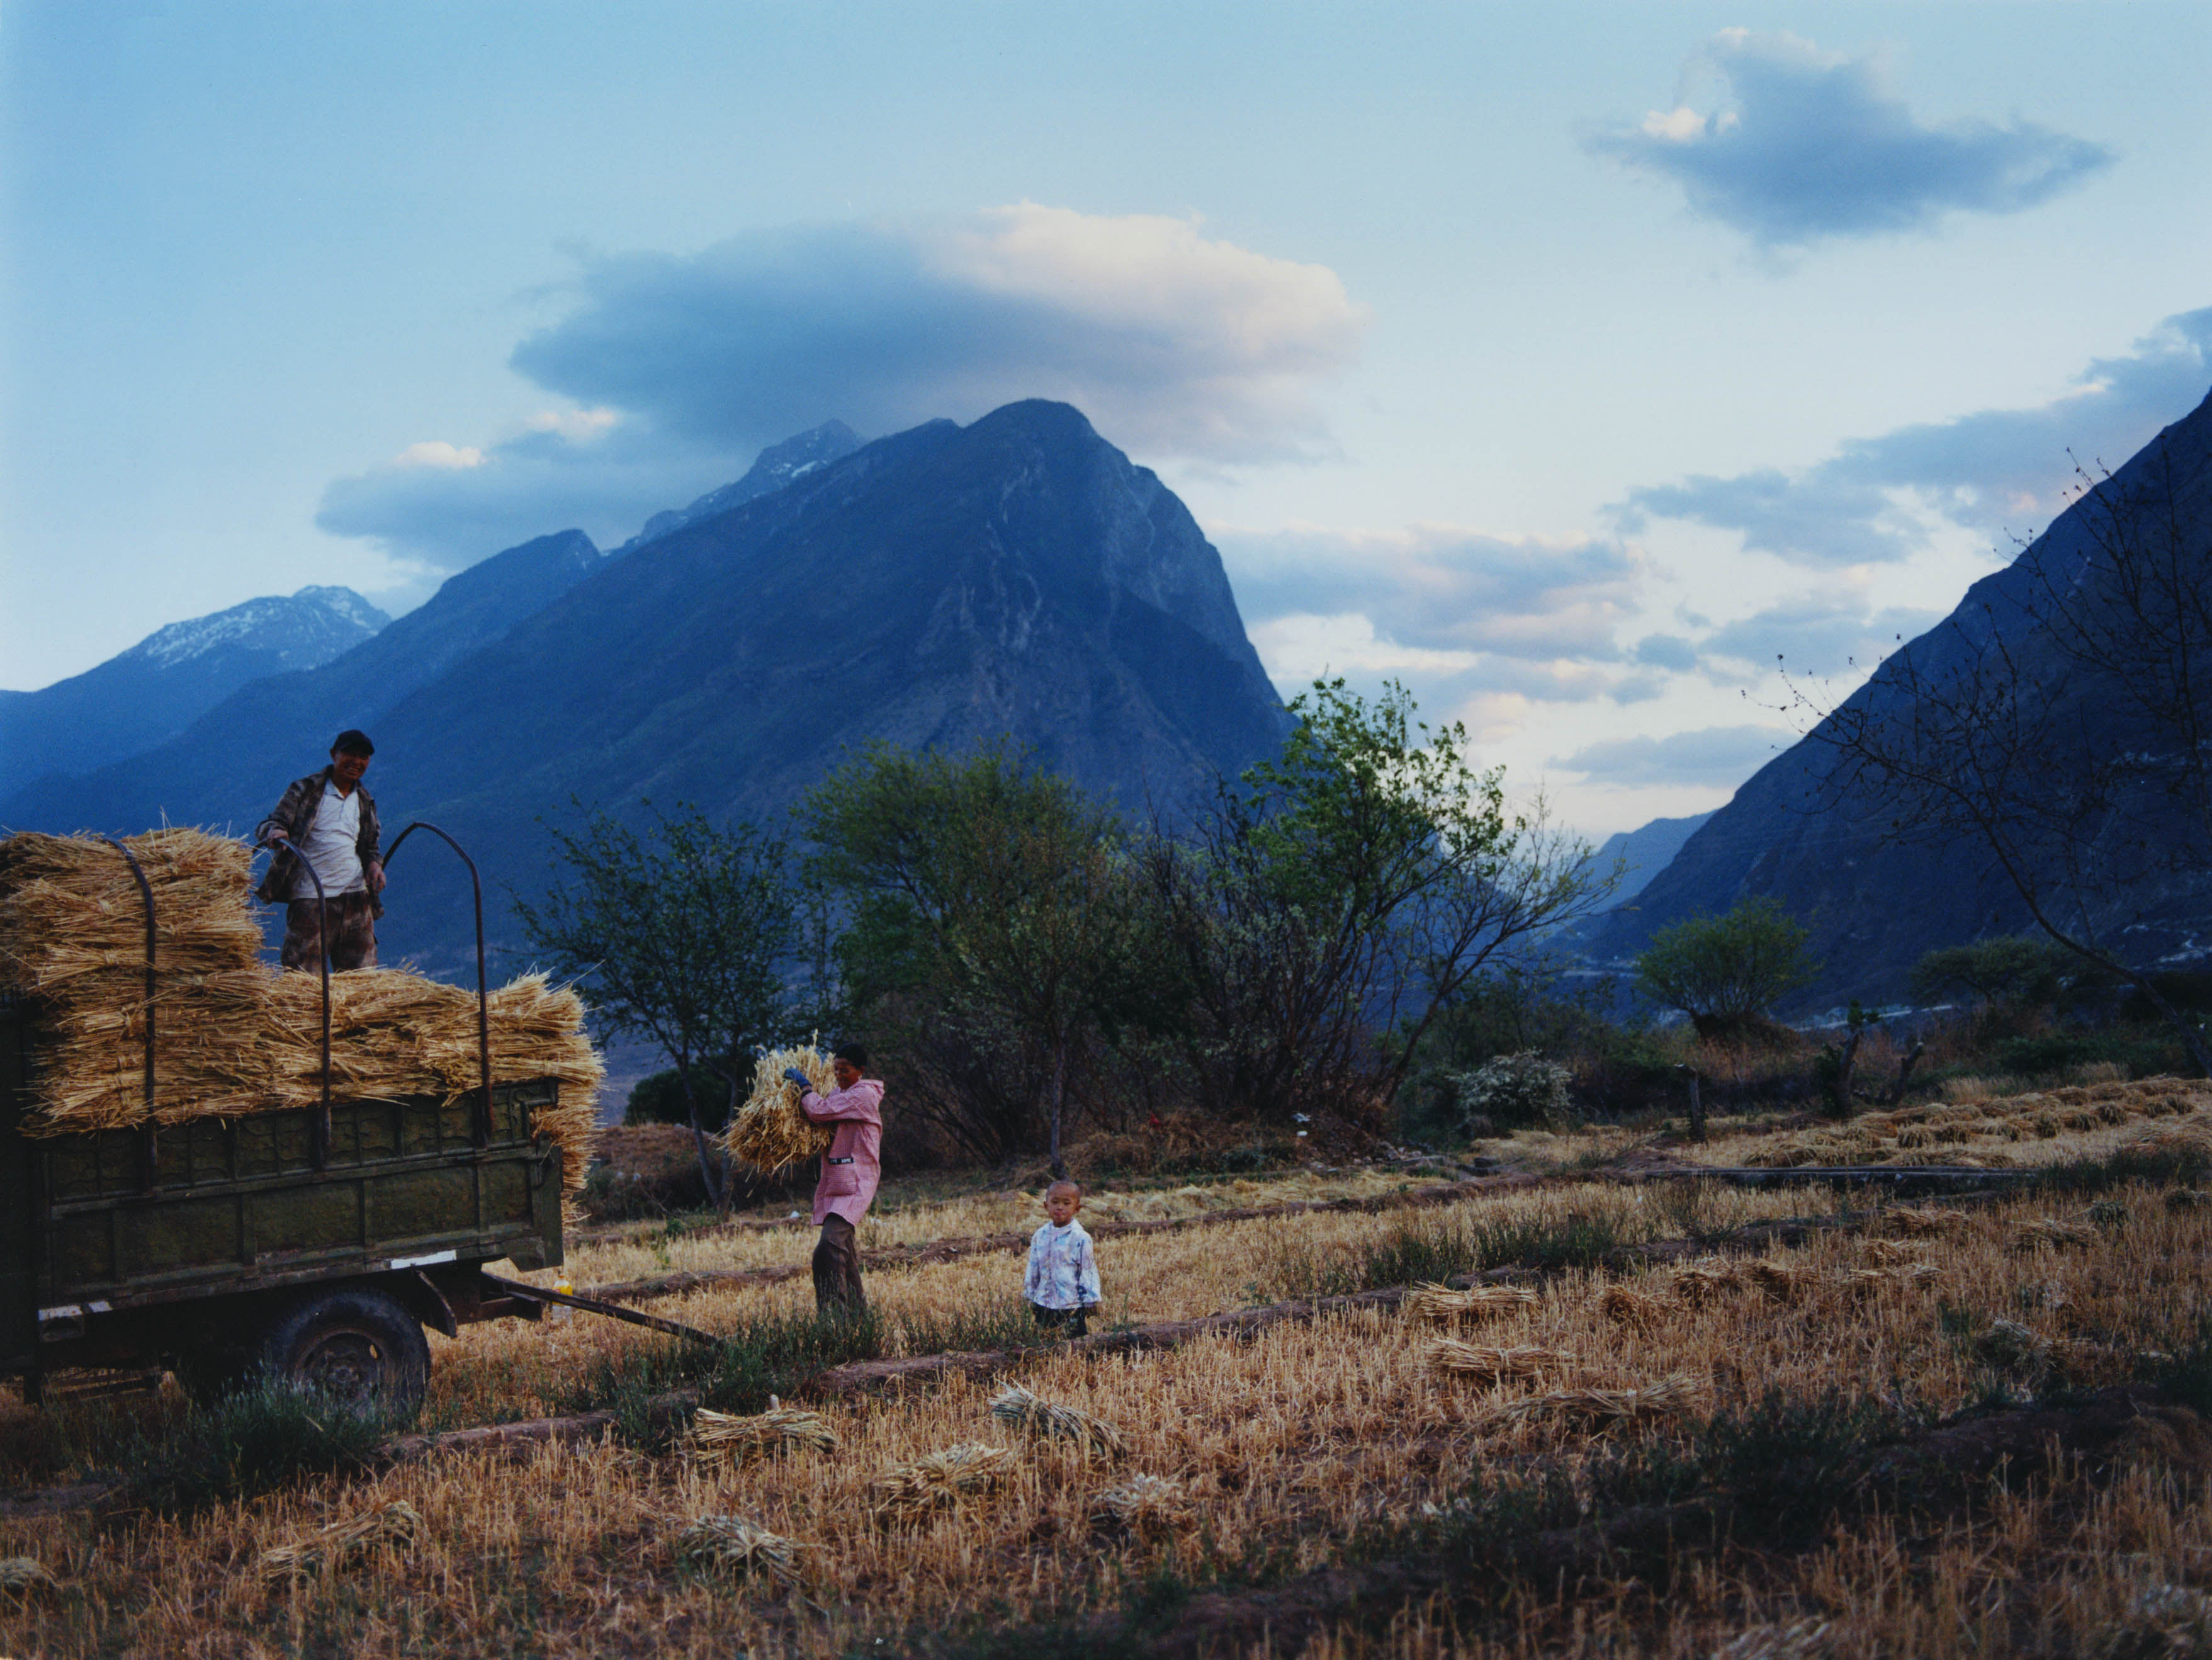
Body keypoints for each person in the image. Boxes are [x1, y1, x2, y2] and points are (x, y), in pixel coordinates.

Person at [256, 730, 385, 973]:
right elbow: (270, 824)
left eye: (364, 757)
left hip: (356, 897)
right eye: (350, 754)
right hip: (312, 897)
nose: (357, 762)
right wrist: (276, 832)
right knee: (303, 976)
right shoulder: (306, 791)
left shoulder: (364, 800)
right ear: (334, 755)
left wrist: (375, 865)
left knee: (362, 978)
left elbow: (370, 846)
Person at [782, 1044, 884, 1315]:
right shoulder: (841, 1092)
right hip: (839, 1180)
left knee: (828, 1248)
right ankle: (860, 1322)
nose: (838, 1074)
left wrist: (805, 1089)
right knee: (845, 1256)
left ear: (861, 1071)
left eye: (845, 1070)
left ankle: (834, 1323)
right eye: (836, 1069)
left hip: (857, 1181)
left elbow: (819, 1111)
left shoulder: (862, 1095)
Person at [1024, 1178, 1102, 1338]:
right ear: (1046, 1206)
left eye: (1067, 1203)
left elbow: (1087, 1270)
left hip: (1071, 1303)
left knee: (1075, 1343)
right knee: (1045, 1340)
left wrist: (1091, 1299)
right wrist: (1030, 1295)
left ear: (1076, 1208)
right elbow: (1033, 1268)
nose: (1060, 1207)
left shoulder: (1080, 1238)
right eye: (1055, 1202)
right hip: (1043, 1302)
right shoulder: (1040, 1235)